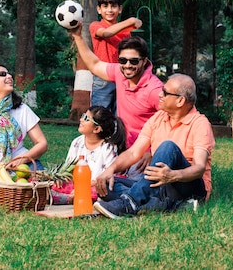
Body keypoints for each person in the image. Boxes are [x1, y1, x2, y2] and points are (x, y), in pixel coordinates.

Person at [93, 74, 216, 219]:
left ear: (180, 100)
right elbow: (133, 153)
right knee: (107, 185)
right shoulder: (158, 117)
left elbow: (199, 168)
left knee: (168, 147)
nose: (159, 94)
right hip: (160, 183)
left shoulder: (200, 123)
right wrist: (110, 169)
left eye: (165, 92)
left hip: (187, 185)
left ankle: (130, 203)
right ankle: (173, 206)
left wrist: (173, 176)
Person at [70, 25, 163, 180]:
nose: (127, 65)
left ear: (144, 61)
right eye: (123, 60)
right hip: (121, 148)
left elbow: (174, 121)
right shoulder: (120, 73)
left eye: (134, 61)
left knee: (129, 187)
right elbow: (94, 64)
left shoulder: (154, 90)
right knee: (95, 179)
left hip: (143, 154)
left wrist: (153, 150)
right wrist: (78, 37)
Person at [51, 105, 128, 204]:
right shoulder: (77, 142)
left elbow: (108, 177)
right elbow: (68, 168)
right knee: (55, 184)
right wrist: (61, 178)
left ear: (96, 129)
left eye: (86, 119)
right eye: (83, 116)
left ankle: (69, 198)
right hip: (77, 183)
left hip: (97, 185)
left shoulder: (107, 148)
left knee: (101, 191)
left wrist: (84, 188)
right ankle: (66, 196)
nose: (81, 120)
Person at [89, 0, 142, 113]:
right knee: (99, 115)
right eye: (105, 6)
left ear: (120, 9)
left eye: (113, 6)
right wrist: (131, 21)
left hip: (121, 77)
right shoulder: (95, 25)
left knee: (120, 116)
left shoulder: (126, 32)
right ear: (98, 9)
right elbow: (106, 33)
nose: (109, 10)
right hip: (103, 78)